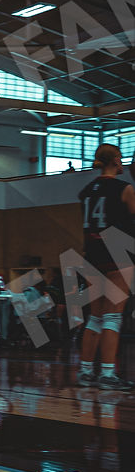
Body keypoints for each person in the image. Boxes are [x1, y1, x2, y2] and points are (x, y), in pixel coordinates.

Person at [77, 142, 135, 388]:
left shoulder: (86, 191)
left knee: (95, 317)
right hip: (117, 253)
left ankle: (85, 371)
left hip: (92, 254)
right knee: (113, 316)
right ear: (115, 160)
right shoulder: (125, 189)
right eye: (120, 158)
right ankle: (108, 374)